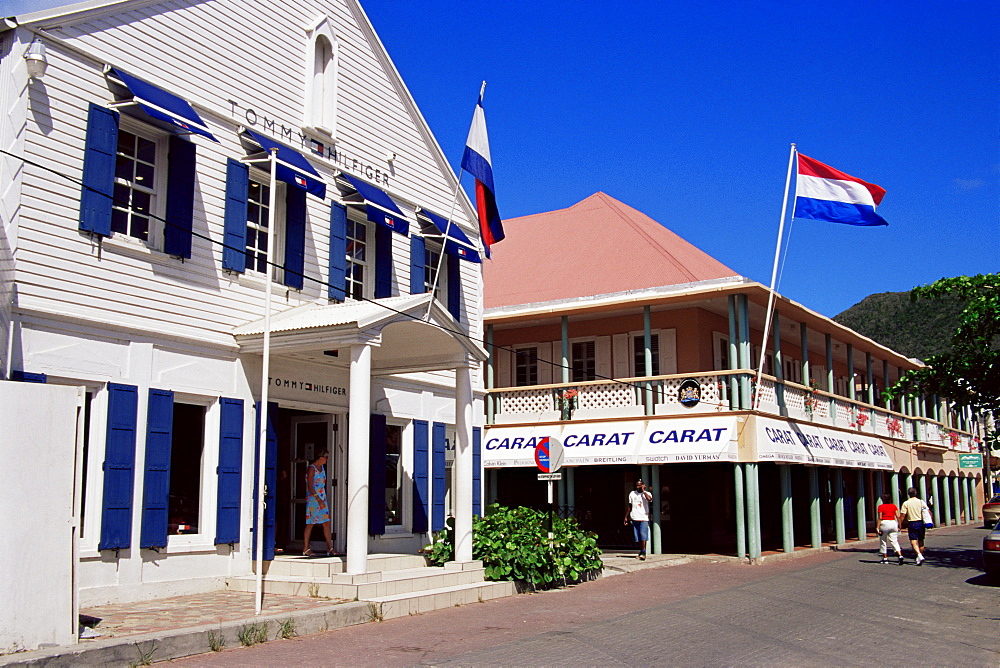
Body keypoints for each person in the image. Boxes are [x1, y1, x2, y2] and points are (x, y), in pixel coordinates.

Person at [303, 450, 333, 557]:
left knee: (326, 522)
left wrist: (322, 499)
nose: (327, 459)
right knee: (311, 522)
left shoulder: (322, 468)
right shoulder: (312, 468)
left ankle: (330, 547)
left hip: (322, 497)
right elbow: (310, 486)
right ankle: (306, 547)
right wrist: (317, 499)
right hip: (313, 499)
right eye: (326, 457)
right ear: (320, 457)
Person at [623, 478, 653, 560]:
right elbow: (630, 505)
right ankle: (641, 550)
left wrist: (643, 491)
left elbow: (650, 499)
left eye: (640, 485)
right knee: (638, 536)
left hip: (644, 518)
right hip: (634, 517)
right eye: (637, 485)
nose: (638, 486)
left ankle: (643, 552)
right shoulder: (632, 494)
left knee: (643, 535)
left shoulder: (647, 494)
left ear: (643, 485)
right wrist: (626, 517)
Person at [900, 487, 928, 565]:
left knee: (913, 541)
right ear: (916, 493)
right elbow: (927, 511)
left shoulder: (906, 503)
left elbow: (903, 515)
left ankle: (919, 555)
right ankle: (919, 556)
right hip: (920, 523)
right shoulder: (921, 502)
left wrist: (900, 524)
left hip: (912, 523)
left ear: (908, 494)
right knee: (921, 541)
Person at [875, 492, 903, 565]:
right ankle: (900, 555)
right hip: (893, 523)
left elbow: (880, 518)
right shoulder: (893, 506)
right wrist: (900, 525)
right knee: (894, 541)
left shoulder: (881, 507)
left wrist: (877, 527)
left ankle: (885, 558)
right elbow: (898, 516)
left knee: (883, 541)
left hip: (884, 523)